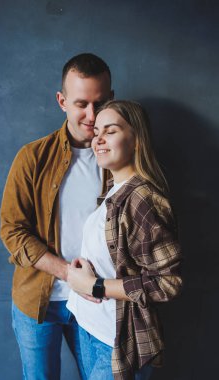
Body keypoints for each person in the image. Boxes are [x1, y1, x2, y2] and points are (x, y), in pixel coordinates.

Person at [0, 53, 114, 380]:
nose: (91, 115)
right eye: (81, 104)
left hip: (98, 305)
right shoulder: (32, 158)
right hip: (39, 303)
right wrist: (68, 273)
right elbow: (12, 231)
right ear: (62, 101)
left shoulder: (124, 161)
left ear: (112, 99)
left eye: (100, 103)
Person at [67, 100, 182, 380]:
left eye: (111, 130)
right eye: (97, 132)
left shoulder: (143, 199)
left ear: (136, 141)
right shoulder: (114, 190)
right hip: (87, 327)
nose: (99, 139)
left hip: (116, 342)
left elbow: (167, 283)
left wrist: (95, 286)